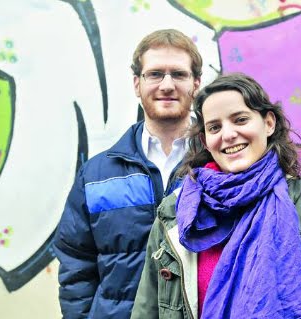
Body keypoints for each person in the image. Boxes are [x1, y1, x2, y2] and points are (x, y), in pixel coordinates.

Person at [131, 73, 301, 319]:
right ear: (205, 140)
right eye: (215, 127)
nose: (228, 134)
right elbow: (147, 310)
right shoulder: (177, 212)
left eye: (240, 119)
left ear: (269, 123)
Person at [53, 29, 202, 318]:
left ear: (196, 83)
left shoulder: (219, 166)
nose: (167, 85)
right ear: (137, 83)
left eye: (179, 75)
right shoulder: (97, 175)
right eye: (155, 74)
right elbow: (76, 265)